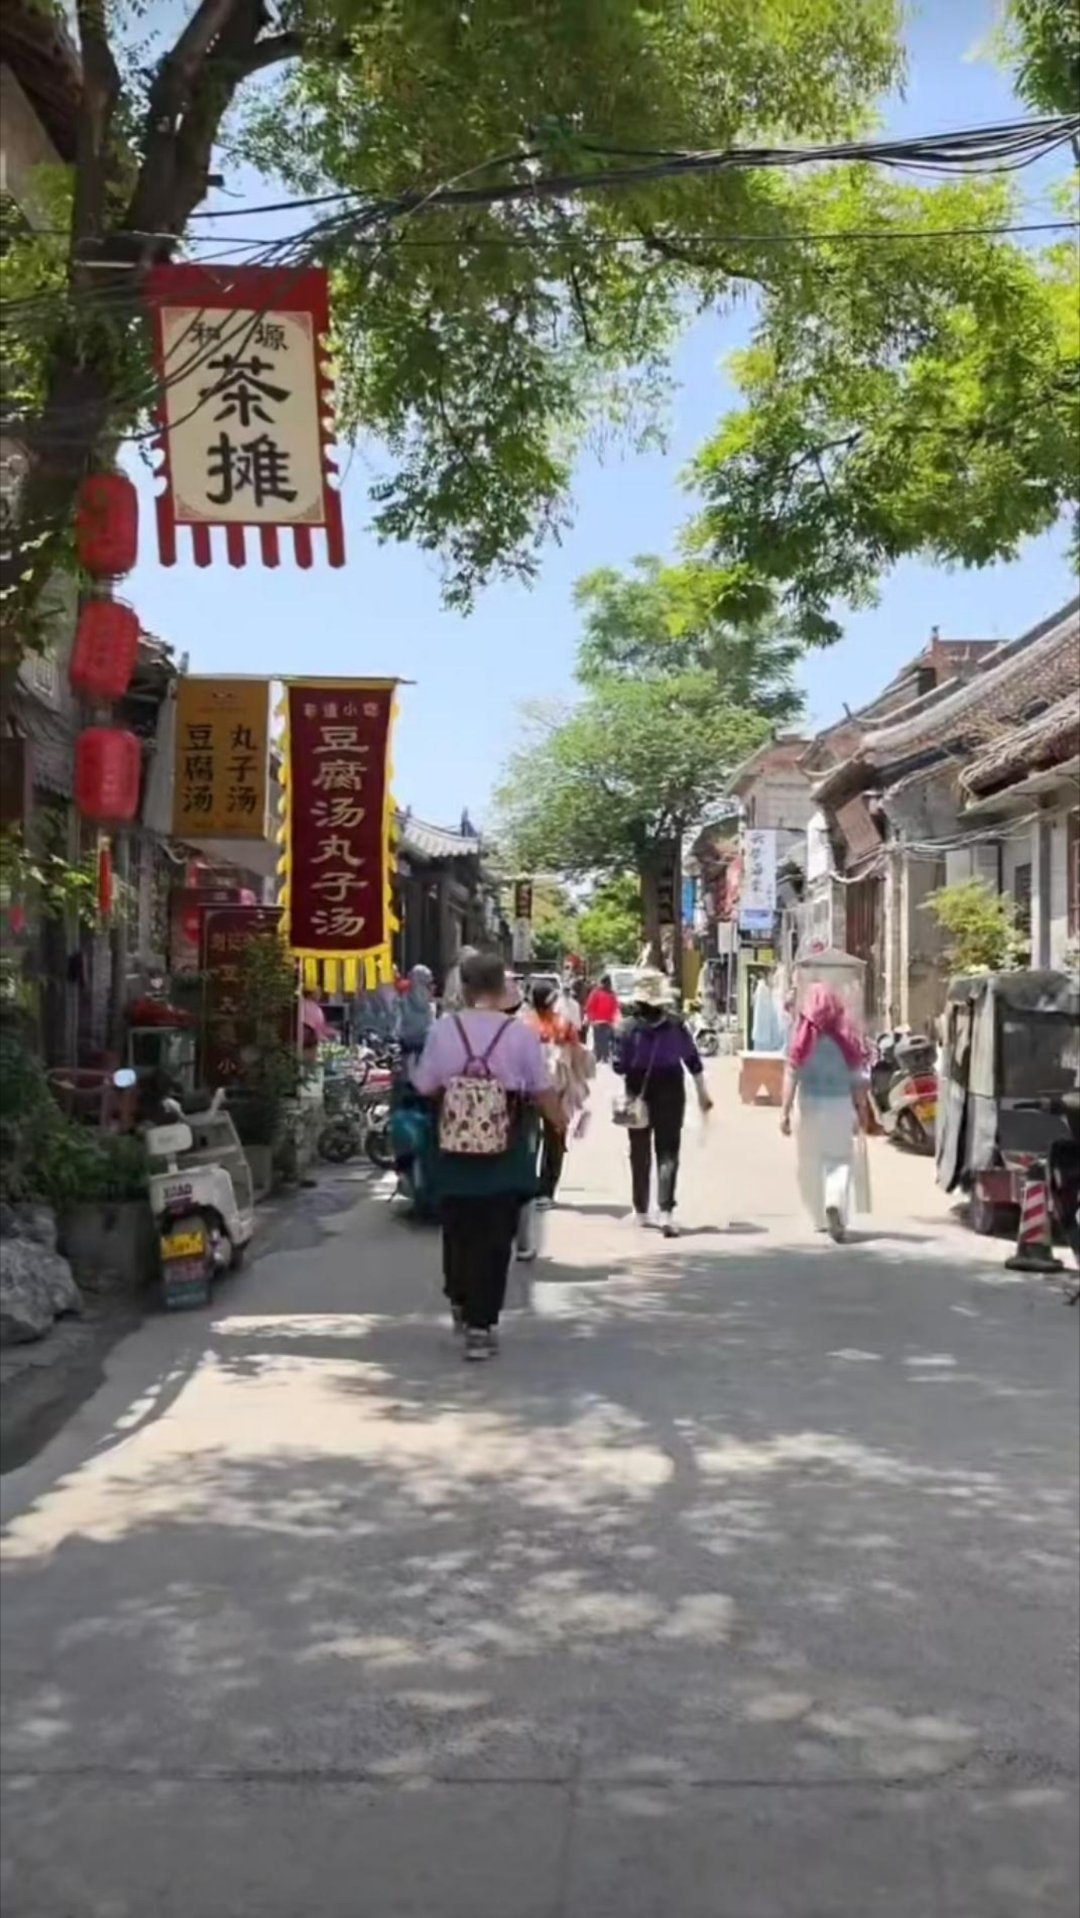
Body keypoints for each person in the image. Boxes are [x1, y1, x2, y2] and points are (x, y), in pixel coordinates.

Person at [411, 951, 565, 1361]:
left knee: (457, 1228)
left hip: (453, 1148)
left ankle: (460, 1299)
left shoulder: (443, 1030)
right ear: (501, 988)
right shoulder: (520, 1034)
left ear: (463, 987)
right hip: (505, 1148)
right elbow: (541, 1088)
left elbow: (424, 1085)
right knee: (496, 1236)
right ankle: (481, 1326)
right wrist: (559, 1121)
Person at [614, 969, 711, 1236]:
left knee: (639, 1151)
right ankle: (666, 1211)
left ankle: (641, 1211)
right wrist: (702, 1094)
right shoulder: (676, 1025)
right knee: (668, 1151)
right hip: (671, 1089)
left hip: (637, 1092)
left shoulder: (626, 1027)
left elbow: (618, 1066)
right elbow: (693, 1061)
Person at [780, 984, 870, 1242]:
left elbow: (791, 1073)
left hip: (809, 1106)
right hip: (839, 1105)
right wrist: (862, 1109)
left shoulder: (801, 1034)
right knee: (839, 1160)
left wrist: (784, 1112)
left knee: (810, 1162)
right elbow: (857, 1077)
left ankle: (819, 1217)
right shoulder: (847, 1034)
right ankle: (834, 1202)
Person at [398, 964, 435, 1060]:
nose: (431, 988)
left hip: (427, 1052)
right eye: (427, 984)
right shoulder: (403, 1003)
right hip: (407, 1050)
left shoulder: (431, 1006)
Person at [585, 974, 619, 1065]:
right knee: (604, 1040)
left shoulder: (597, 992)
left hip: (600, 1021)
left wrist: (591, 1019)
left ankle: (600, 1057)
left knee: (600, 1040)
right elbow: (615, 1007)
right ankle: (603, 1057)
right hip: (604, 1021)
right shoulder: (610, 994)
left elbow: (590, 1006)